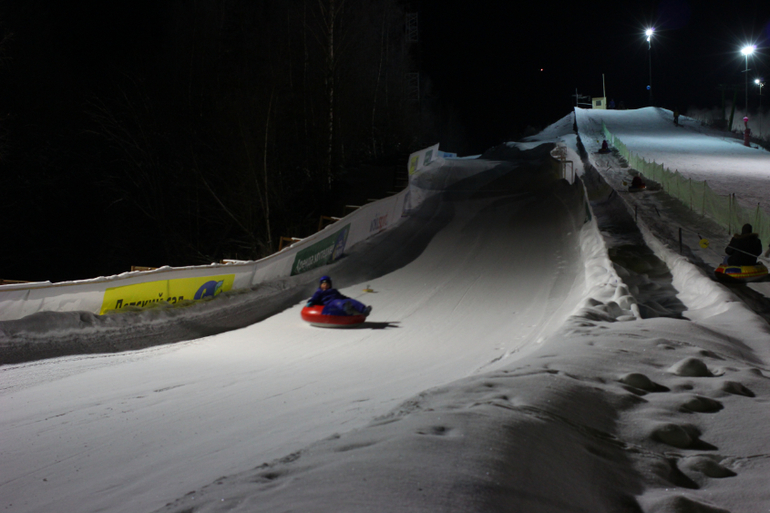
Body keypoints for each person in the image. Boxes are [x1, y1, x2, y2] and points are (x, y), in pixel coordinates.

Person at [307, 276, 372, 317]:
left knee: (352, 301)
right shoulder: (319, 292)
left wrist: (347, 298)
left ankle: (364, 310)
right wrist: (311, 302)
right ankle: (346, 307)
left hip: (338, 300)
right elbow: (315, 298)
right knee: (337, 302)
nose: (325, 286)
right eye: (323, 284)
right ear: (320, 285)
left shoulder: (334, 291)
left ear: (330, 285)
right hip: (329, 302)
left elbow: (340, 296)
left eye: (327, 284)